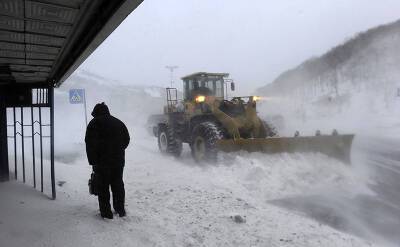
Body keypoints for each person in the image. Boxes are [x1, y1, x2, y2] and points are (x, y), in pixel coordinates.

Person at [85, 102, 130, 219]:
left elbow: (90, 144)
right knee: (118, 184)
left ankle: (106, 213)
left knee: (103, 187)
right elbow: (126, 139)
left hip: (102, 162)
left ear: (97, 112)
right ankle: (120, 210)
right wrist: (118, 150)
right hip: (118, 161)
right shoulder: (119, 122)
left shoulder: (94, 123)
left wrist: (93, 161)